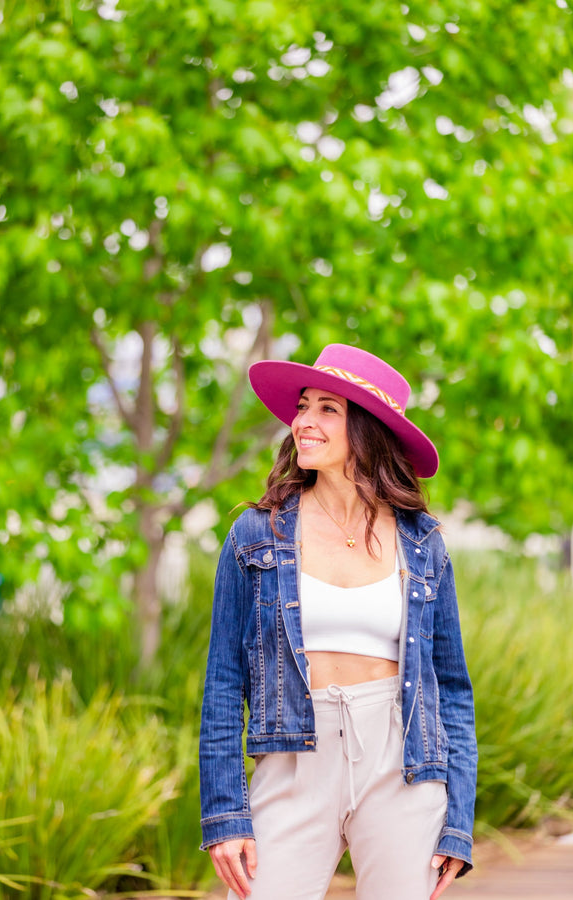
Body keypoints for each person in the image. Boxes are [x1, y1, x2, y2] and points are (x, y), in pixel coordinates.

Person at [199, 343, 477, 900]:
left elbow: (451, 688)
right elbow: (224, 682)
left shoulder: (423, 543)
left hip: (401, 763)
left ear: (369, 429)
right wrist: (226, 814)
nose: (304, 421)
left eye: (328, 409)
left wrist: (459, 821)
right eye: (304, 406)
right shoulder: (255, 535)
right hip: (294, 758)